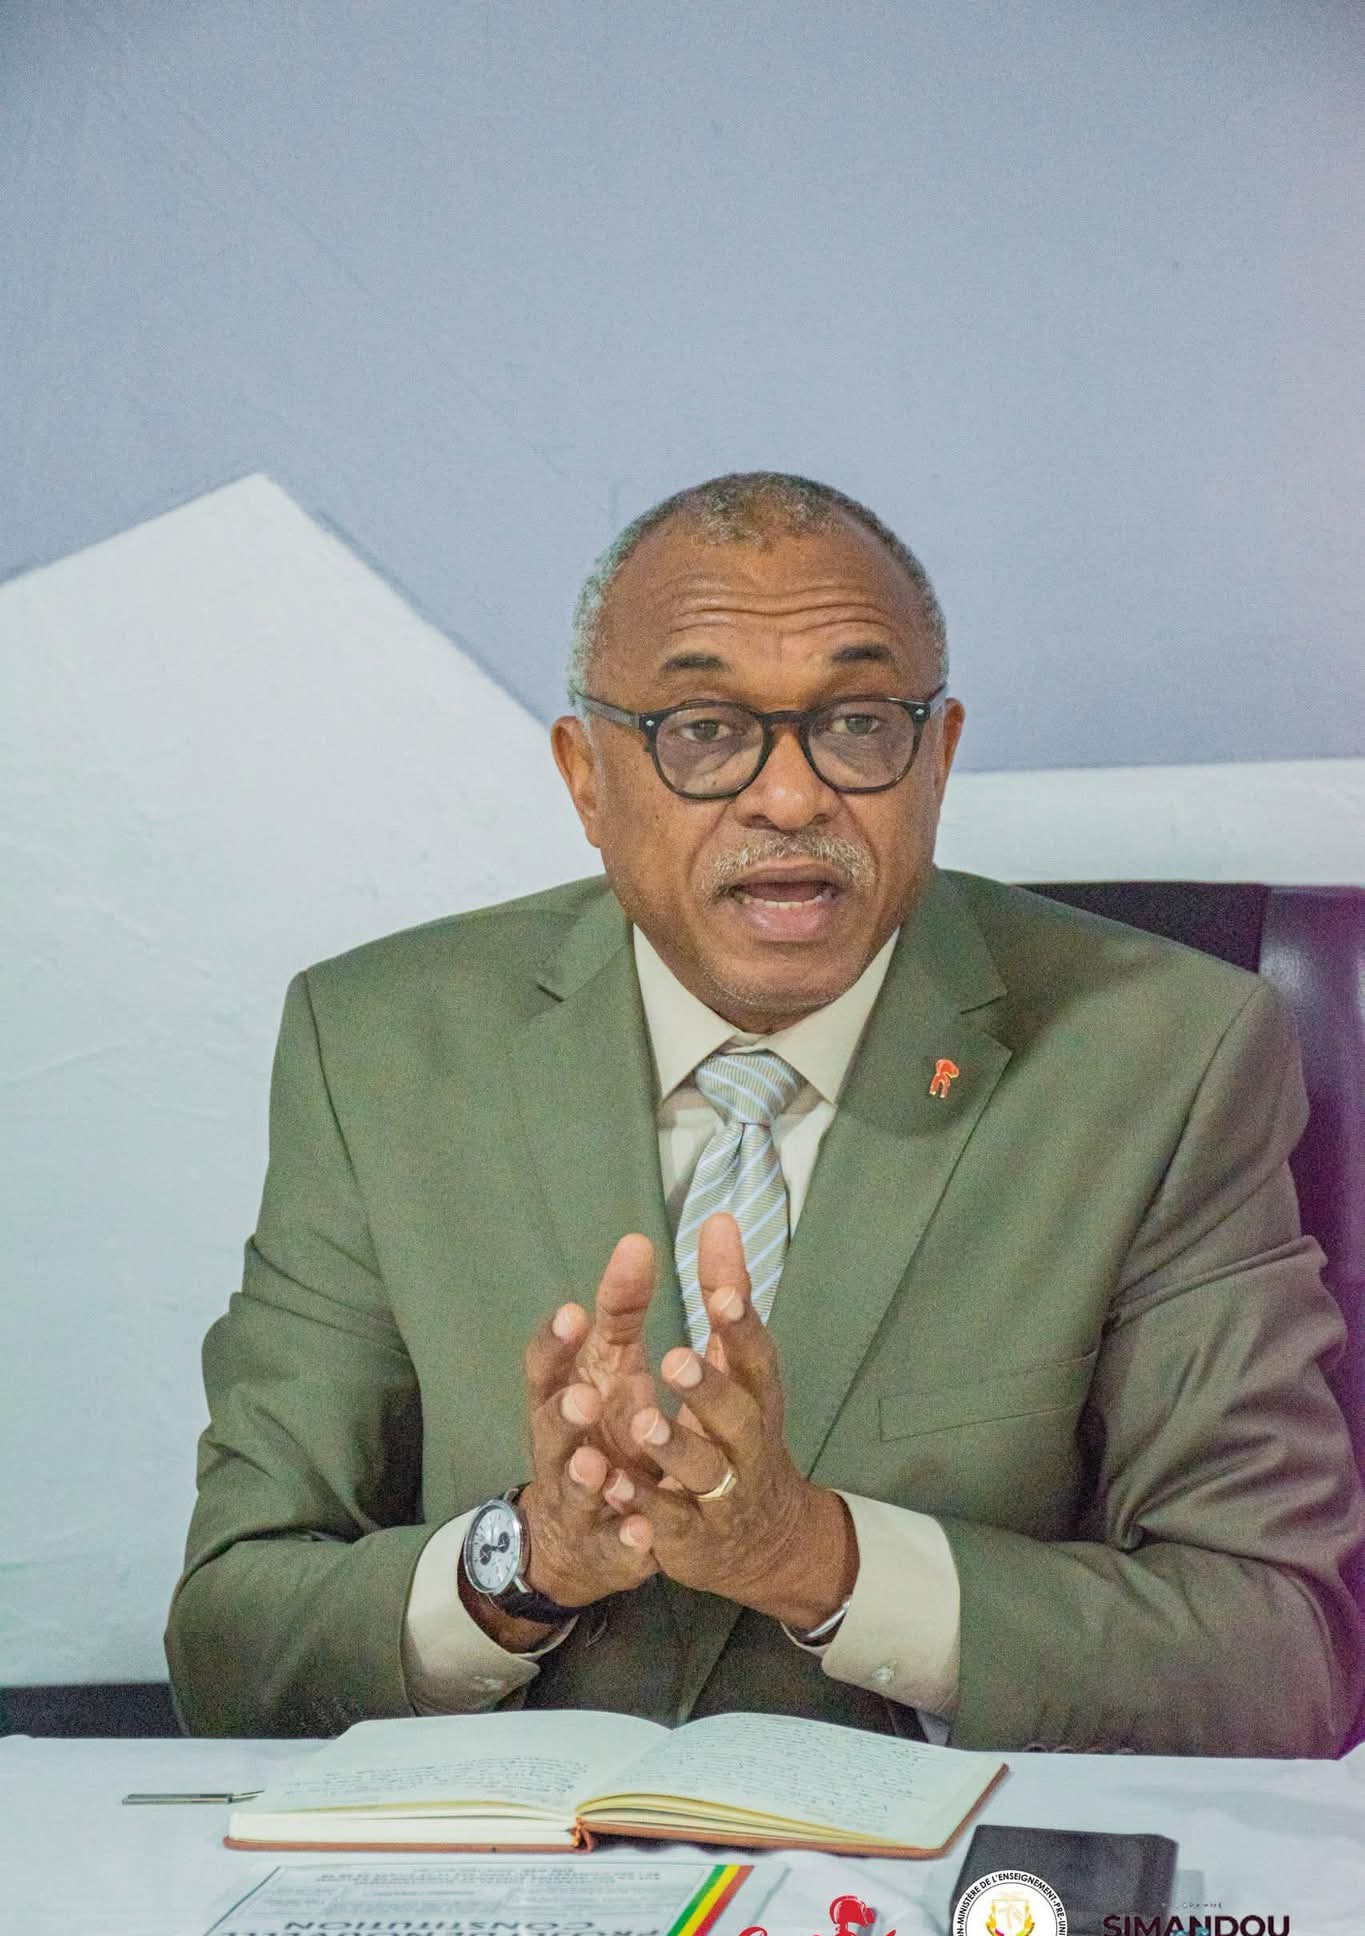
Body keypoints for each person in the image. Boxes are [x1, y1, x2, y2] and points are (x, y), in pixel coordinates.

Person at [166, 471, 1364, 1754]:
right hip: (520, 1870)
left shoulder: (1163, 1058)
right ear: (585, 777)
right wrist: (525, 1560)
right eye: (702, 728)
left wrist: (820, 1558)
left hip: (943, 1865)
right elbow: (234, 1646)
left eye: (857, 723)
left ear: (938, 757)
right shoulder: (379, 1049)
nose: (790, 798)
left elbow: (1279, 1652)